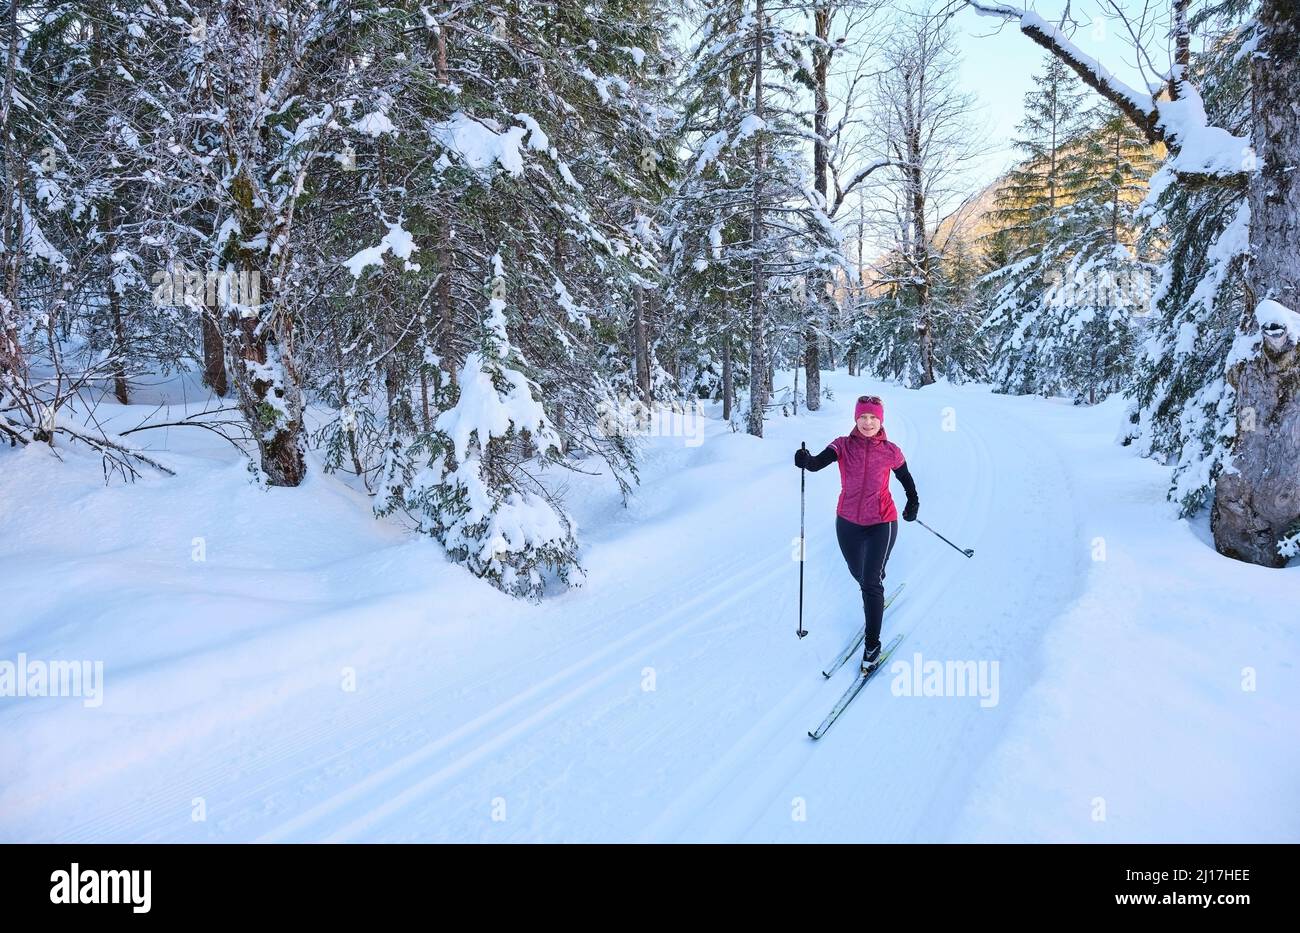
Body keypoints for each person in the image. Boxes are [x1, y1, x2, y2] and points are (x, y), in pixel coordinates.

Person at [794, 395, 918, 672]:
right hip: (847, 521)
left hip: (881, 521)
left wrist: (913, 501)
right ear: (856, 418)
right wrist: (805, 460)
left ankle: (872, 645)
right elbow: (816, 463)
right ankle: (873, 582)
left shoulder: (891, 451)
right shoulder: (842, 445)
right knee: (859, 574)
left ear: (881, 420)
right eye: (863, 417)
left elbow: (906, 479)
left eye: (873, 417)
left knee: (871, 582)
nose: (868, 422)